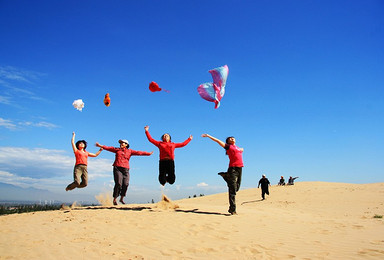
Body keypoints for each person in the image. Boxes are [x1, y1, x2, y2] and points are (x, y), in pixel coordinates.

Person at [96, 139, 153, 205]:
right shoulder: (117, 149)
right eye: (121, 143)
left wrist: (148, 153)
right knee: (118, 183)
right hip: (117, 168)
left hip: (126, 169)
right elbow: (109, 148)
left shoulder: (130, 151)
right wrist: (100, 145)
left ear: (126, 144)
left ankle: (121, 198)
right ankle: (115, 199)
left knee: (126, 184)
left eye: (123, 143)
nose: (121, 144)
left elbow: (138, 152)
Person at [201, 134, 243, 215]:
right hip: (233, 169)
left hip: (240, 168)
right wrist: (209, 136)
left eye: (233, 137)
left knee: (236, 188)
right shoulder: (228, 147)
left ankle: (226, 176)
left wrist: (242, 149)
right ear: (228, 142)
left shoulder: (238, 147)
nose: (232, 138)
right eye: (230, 138)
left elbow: (241, 150)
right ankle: (232, 209)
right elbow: (217, 141)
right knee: (232, 190)